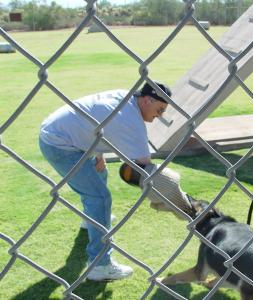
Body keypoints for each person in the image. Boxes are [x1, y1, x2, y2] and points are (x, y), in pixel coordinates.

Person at [39, 81, 170, 280]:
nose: (159, 116)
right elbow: (144, 166)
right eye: (159, 109)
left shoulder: (126, 96)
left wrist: (97, 153)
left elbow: (96, 119)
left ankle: (90, 219)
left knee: (99, 173)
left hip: (63, 132)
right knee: (100, 198)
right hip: (60, 144)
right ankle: (99, 265)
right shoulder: (131, 120)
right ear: (147, 100)